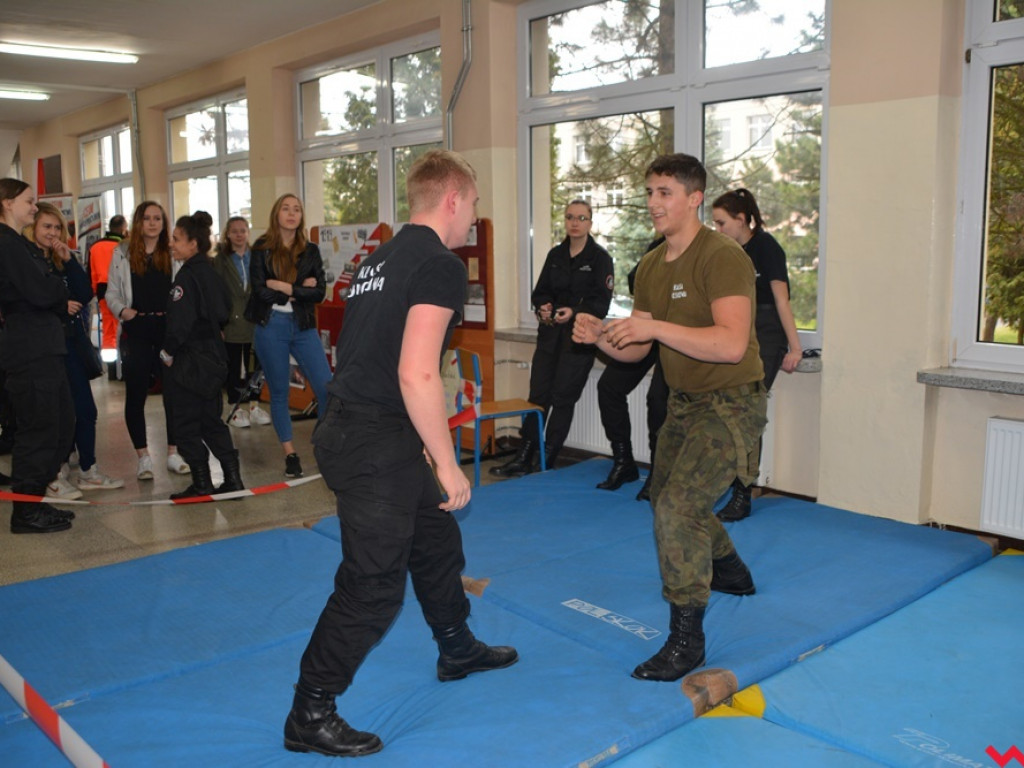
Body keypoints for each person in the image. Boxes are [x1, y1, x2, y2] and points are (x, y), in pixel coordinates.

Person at [284, 149, 517, 758]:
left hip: (357, 426)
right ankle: (311, 709)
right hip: (374, 440)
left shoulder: (377, 258)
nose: (472, 220)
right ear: (452, 200)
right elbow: (418, 374)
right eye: (472, 206)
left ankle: (456, 645)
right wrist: (446, 462)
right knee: (373, 586)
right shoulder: (439, 263)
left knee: (436, 538)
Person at [573, 153, 765, 683]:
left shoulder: (722, 257)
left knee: (678, 507)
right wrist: (604, 337)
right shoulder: (654, 265)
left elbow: (729, 345)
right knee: (666, 496)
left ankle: (687, 640)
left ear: (694, 198)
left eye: (665, 193)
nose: (654, 203)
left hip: (731, 401)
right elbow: (637, 350)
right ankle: (729, 567)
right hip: (683, 401)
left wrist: (653, 331)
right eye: (651, 192)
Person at [490, 199, 613, 477]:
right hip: (549, 337)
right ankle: (523, 455)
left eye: (581, 218)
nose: (575, 222)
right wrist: (543, 306)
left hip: (578, 339)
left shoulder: (600, 258)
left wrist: (575, 311)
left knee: (562, 398)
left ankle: (547, 459)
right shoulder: (555, 255)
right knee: (537, 397)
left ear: (590, 223)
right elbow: (540, 291)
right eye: (570, 217)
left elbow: (601, 303)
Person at [711, 188, 802, 521]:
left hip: (767, 332)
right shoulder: (726, 252)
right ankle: (728, 483)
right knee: (729, 412)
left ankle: (742, 493)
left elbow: (781, 301)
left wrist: (795, 347)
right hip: (739, 330)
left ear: (741, 219)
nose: (718, 230)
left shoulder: (767, 248)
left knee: (747, 412)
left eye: (722, 223)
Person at [28, 202, 124, 497]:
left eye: (57, 228)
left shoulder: (62, 259)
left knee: (85, 409)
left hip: (71, 345)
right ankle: (55, 473)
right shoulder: (26, 261)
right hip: (43, 348)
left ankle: (87, 470)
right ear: (33, 229)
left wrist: (67, 260)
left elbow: (84, 293)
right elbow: (27, 303)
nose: (53, 233)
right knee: (55, 413)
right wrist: (59, 306)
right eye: (47, 226)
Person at [0, 179, 75, 533]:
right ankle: (26, 511)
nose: (34, 208)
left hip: (44, 346)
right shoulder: (7, 245)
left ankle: (36, 502)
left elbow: (47, 288)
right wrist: (56, 291)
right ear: (6, 203)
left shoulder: (18, 244)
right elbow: (41, 291)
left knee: (61, 425)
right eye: (29, 202)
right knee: (39, 430)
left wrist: (54, 289)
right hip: (30, 350)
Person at [247, 193, 331, 478]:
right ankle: (290, 453)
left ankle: (323, 446)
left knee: (327, 388)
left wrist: (286, 287)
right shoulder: (261, 249)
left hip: (303, 324)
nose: (292, 213)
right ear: (276, 214)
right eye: (286, 208)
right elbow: (260, 291)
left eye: (297, 209)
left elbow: (319, 292)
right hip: (271, 325)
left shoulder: (311, 250)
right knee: (280, 392)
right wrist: (299, 288)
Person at [106, 201, 190, 481]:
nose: (153, 223)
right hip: (137, 329)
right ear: (138, 222)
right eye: (147, 218)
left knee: (174, 394)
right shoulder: (122, 252)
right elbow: (111, 292)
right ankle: (143, 457)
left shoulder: (173, 251)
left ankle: (173, 452)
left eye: (158, 218)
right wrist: (122, 311)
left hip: (168, 330)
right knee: (136, 394)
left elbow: (183, 290)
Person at [161, 212, 243, 500]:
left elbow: (179, 324)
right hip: (214, 356)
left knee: (184, 422)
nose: (171, 244)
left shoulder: (186, 277)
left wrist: (167, 352)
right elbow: (224, 309)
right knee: (211, 420)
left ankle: (202, 482)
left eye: (176, 239)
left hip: (190, 360)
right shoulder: (211, 272)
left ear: (193, 244)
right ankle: (233, 478)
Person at [596, 241, 669, 500]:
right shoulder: (657, 247)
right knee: (608, 386)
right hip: (648, 328)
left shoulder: (700, 249)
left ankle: (658, 473)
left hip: (677, 337)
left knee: (658, 399)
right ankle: (624, 461)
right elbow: (633, 279)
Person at [212, 216, 270, 428]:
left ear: (248, 233)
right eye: (234, 231)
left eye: (243, 230)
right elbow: (215, 293)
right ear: (228, 234)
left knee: (256, 366)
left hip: (255, 320)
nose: (239, 235)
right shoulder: (221, 260)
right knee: (235, 368)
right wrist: (219, 324)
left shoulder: (258, 256)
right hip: (232, 322)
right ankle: (236, 410)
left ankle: (254, 406)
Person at [88, 214, 128, 376]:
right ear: (123, 228)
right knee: (122, 327)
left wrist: (94, 291)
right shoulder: (123, 245)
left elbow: (91, 272)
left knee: (108, 329)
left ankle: (111, 369)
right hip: (121, 290)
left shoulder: (95, 247)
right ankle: (123, 367)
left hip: (102, 290)